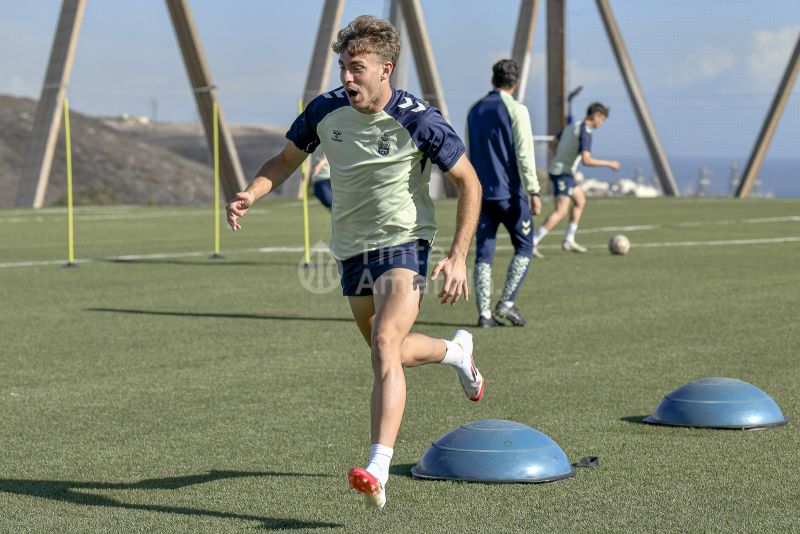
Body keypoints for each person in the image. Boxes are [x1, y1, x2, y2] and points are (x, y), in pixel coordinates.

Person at [226, 15, 483, 510]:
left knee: (386, 343)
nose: (347, 78)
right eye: (344, 67)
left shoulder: (419, 119)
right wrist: (252, 193)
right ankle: (455, 353)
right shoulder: (324, 110)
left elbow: (468, 182)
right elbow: (284, 160)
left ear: (386, 69)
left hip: (405, 245)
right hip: (351, 249)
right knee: (390, 351)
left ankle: (378, 467)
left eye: (357, 68)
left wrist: (457, 256)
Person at [466, 59, 542, 328]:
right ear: (516, 82)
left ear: (493, 80)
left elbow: (469, 153)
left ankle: (484, 314)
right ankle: (507, 302)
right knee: (525, 244)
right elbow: (524, 153)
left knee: (483, 253)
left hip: (480, 195)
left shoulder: (474, 110)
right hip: (508, 194)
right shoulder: (516, 109)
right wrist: (533, 190)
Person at [533, 102, 620, 254]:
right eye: (603, 119)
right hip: (562, 174)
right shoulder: (585, 132)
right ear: (596, 116)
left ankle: (569, 240)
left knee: (580, 200)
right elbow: (586, 160)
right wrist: (609, 163)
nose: (602, 123)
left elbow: (553, 142)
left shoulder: (572, 126)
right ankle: (533, 242)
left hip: (565, 172)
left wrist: (559, 157)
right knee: (561, 211)